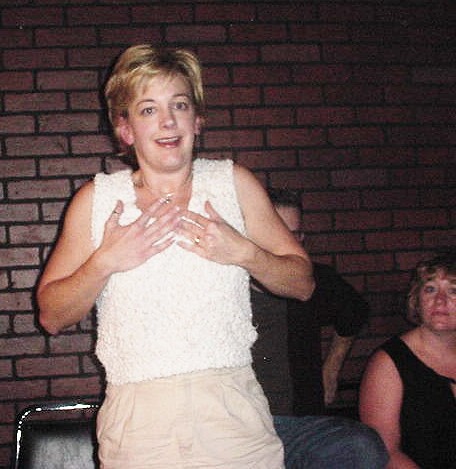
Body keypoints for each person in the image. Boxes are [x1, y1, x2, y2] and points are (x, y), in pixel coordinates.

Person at [36, 44, 315, 468]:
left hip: (232, 416)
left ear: (197, 119)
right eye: (148, 109)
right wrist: (105, 261)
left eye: (179, 105)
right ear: (125, 129)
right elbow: (51, 316)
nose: (167, 121)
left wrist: (245, 252)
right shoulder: (97, 199)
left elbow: (304, 284)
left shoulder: (233, 184)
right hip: (139, 423)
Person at [251, 188, 388, 468]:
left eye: (295, 235)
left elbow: (354, 313)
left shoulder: (316, 280)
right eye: (277, 232)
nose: (286, 243)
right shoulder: (223, 286)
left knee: (361, 446)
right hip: (240, 426)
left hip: (300, 424)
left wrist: (331, 368)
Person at [359, 252, 456, 468]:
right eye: (430, 289)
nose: (440, 300)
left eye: (453, 291)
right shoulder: (388, 363)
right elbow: (385, 452)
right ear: (417, 300)